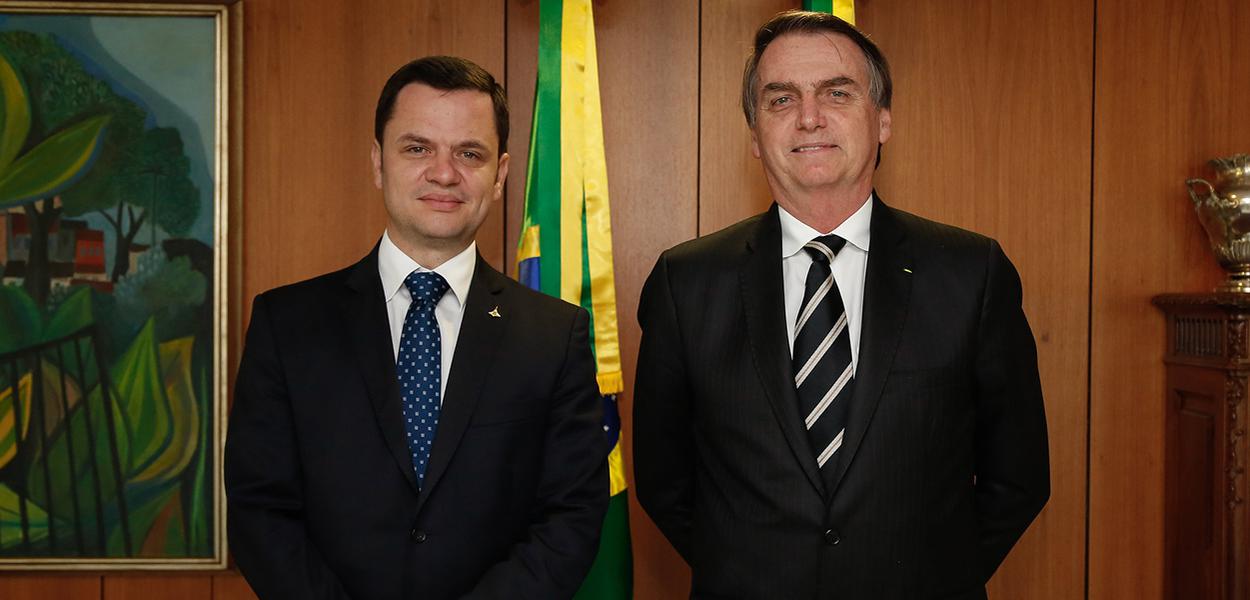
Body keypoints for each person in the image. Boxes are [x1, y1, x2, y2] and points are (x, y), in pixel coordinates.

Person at [633, 11, 1050, 599]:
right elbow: (663, 481)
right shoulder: (686, 283)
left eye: (836, 93)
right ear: (754, 135)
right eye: (780, 99)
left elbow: (1019, 477)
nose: (809, 117)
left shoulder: (970, 274)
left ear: (882, 120)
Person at [225, 56, 608, 600]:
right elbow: (259, 507)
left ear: (499, 175)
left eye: (469, 153)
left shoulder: (553, 335)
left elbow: (572, 515)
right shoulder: (287, 324)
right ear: (378, 162)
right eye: (417, 148)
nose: (444, 173)